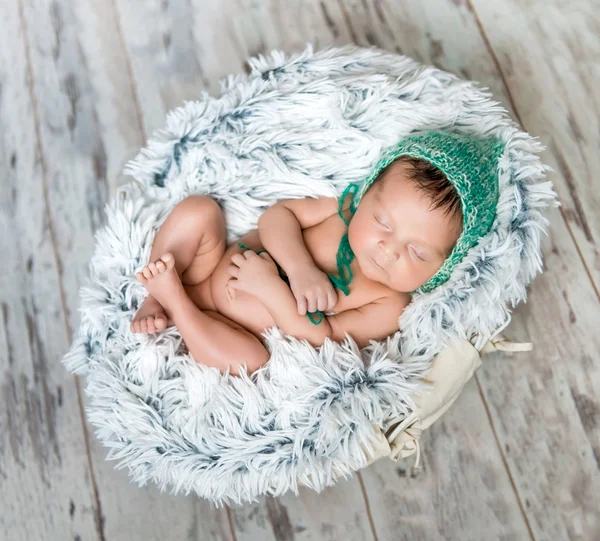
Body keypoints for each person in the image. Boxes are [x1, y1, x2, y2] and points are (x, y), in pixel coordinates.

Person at [130, 130, 504, 376]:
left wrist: (271, 291)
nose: (388, 250)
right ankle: (155, 294)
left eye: (418, 253)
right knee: (199, 210)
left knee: (252, 362)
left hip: (229, 329)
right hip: (204, 268)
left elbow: (323, 339)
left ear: (447, 265)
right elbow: (278, 215)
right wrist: (299, 268)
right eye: (382, 222)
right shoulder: (340, 212)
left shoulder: (389, 303)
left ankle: (175, 302)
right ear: (367, 192)